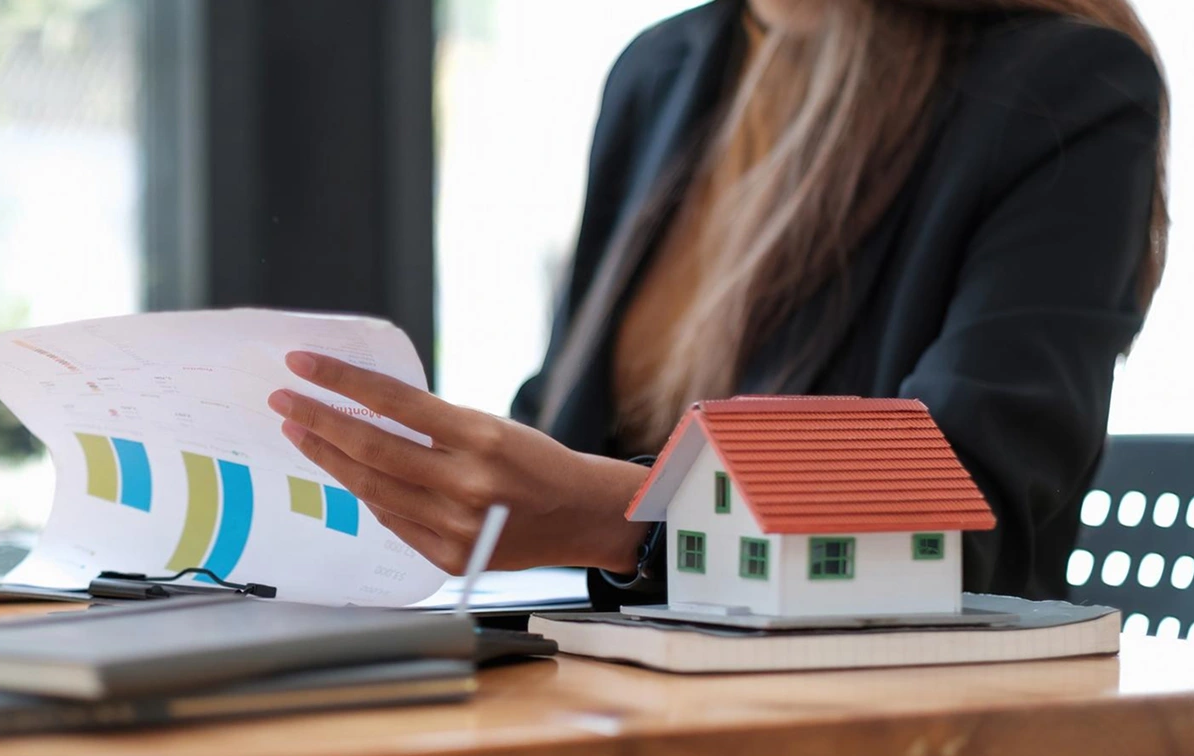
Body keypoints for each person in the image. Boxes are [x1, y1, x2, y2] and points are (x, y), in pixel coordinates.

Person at [267, 0, 1167, 608]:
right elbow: (568, 425)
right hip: (621, 690)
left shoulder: (1066, 86)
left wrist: (621, 519)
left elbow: (964, 516)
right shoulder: (661, 70)